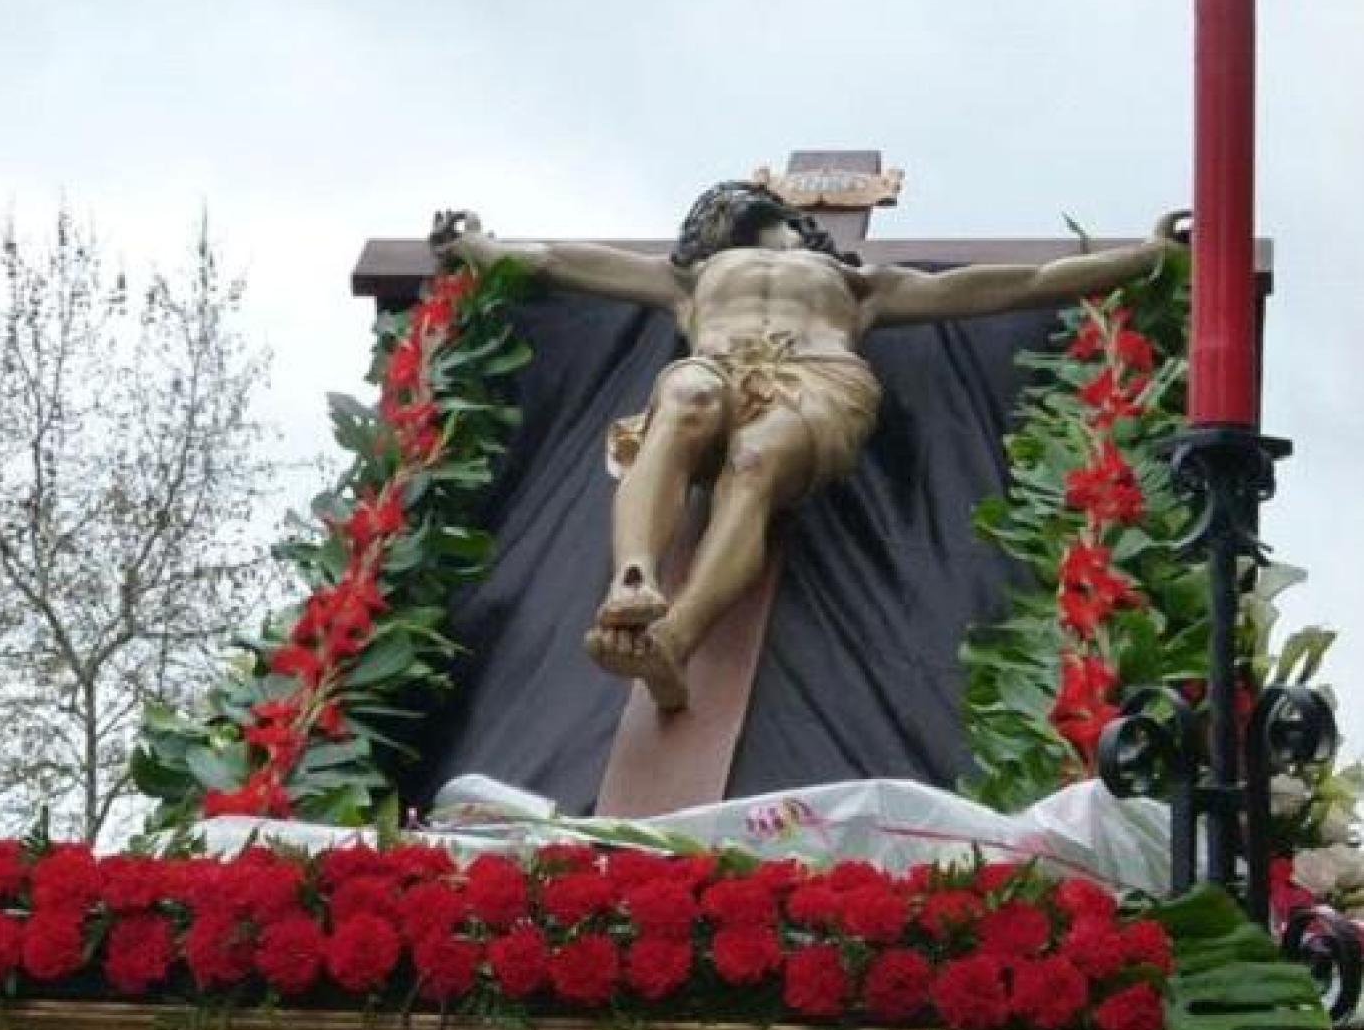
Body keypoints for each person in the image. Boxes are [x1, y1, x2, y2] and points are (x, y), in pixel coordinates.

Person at [431, 181, 1185, 711]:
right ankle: (632, 579)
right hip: (717, 366)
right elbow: (556, 262)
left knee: (755, 463)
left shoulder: (863, 284)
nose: (742, 205)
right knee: (685, 399)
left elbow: (1028, 282)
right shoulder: (687, 278)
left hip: (816, 378)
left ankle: (674, 639)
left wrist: (1146, 255)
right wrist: (474, 243)